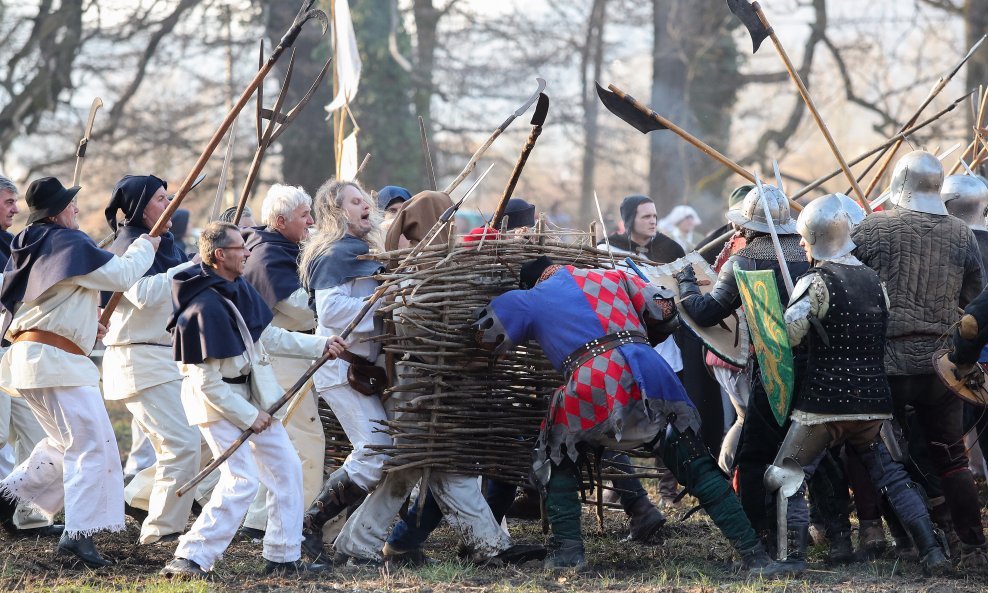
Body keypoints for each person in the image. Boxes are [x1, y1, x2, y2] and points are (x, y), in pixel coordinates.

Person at [474, 256, 776, 572]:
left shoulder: (530, 298)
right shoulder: (613, 277)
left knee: (556, 454)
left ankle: (567, 555)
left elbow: (485, 333)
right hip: (651, 372)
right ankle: (754, 555)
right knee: (695, 464)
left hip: (594, 380)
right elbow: (664, 309)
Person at [765, 194, 948, 575]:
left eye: (803, 237)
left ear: (816, 237)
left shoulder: (814, 282)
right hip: (873, 400)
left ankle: (791, 560)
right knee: (894, 477)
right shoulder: (874, 281)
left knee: (787, 475)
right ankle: (932, 551)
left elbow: (790, 336)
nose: (800, 244)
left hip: (825, 402)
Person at [160, 222, 346, 578]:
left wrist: (322, 344)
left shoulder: (236, 287)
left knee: (287, 468)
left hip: (249, 396)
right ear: (219, 255)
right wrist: (249, 416)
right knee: (241, 479)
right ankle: (191, 557)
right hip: (216, 403)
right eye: (239, 248)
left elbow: (267, 338)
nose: (247, 252)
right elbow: (206, 382)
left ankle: (282, 554)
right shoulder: (203, 307)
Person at [0, 177, 159, 567]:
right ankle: (79, 535)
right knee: (93, 447)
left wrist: (86, 323)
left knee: (61, 444)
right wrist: (146, 245)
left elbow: (51, 300)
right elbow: (122, 275)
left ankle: (8, 497)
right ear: (56, 212)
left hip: (34, 359)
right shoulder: (66, 242)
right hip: (56, 363)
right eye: (70, 204)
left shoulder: (30, 240)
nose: (75, 209)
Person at [852, 150, 988, 568]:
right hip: (940, 363)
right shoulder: (962, 233)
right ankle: (970, 546)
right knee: (951, 457)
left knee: (877, 452)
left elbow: (848, 288)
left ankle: (907, 543)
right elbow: (973, 300)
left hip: (885, 364)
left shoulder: (871, 228)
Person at [675, 184, 812, 557]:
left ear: (747, 226)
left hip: (773, 370)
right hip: (817, 372)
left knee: (753, 457)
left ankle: (760, 535)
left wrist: (685, 283)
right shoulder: (809, 253)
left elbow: (705, 312)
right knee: (814, 455)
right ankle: (838, 535)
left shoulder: (744, 260)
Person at [101, 175, 199, 545]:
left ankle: (138, 497)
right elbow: (143, 294)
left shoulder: (167, 245)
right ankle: (161, 531)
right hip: (137, 357)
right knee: (182, 445)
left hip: (165, 358)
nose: (169, 203)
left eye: (169, 196)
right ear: (142, 208)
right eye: (160, 199)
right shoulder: (129, 245)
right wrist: (193, 267)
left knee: (199, 437)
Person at [297, 180, 390, 562]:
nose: (365, 205)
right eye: (355, 201)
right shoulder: (335, 253)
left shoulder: (367, 250)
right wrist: (383, 306)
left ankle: (358, 540)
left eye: (365, 199)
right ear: (337, 212)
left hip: (366, 369)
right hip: (340, 368)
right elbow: (333, 314)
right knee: (375, 449)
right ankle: (309, 526)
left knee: (388, 452)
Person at [238, 184, 324, 540]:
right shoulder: (269, 256)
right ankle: (295, 523)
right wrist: (330, 300)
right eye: (305, 216)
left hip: (287, 356)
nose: (311, 221)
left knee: (280, 443)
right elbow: (299, 310)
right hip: (282, 359)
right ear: (279, 220)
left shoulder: (279, 248)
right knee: (305, 441)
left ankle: (260, 520)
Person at [0, 175, 63, 539]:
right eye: (8, 201)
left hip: (18, 351)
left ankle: (27, 514)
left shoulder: (13, 244)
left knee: (37, 434)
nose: (15, 208)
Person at [607, 195, 684, 263]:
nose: (653, 221)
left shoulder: (672, 250)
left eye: (654, 216)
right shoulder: (608, 248)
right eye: (646, 217)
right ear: (630, 220)